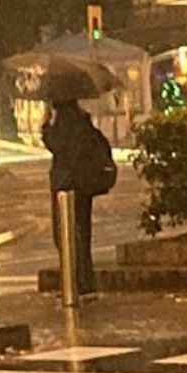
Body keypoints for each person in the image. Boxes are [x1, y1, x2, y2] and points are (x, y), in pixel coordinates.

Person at [41, 99, 117, 293]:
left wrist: (45, 125)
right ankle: (84, 281)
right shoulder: (82, 120)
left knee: (65, 236)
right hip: (83, 185)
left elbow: (56, 144)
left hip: (66, 185)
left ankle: (75, 283)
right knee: (82, 233)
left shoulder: (64, 122)